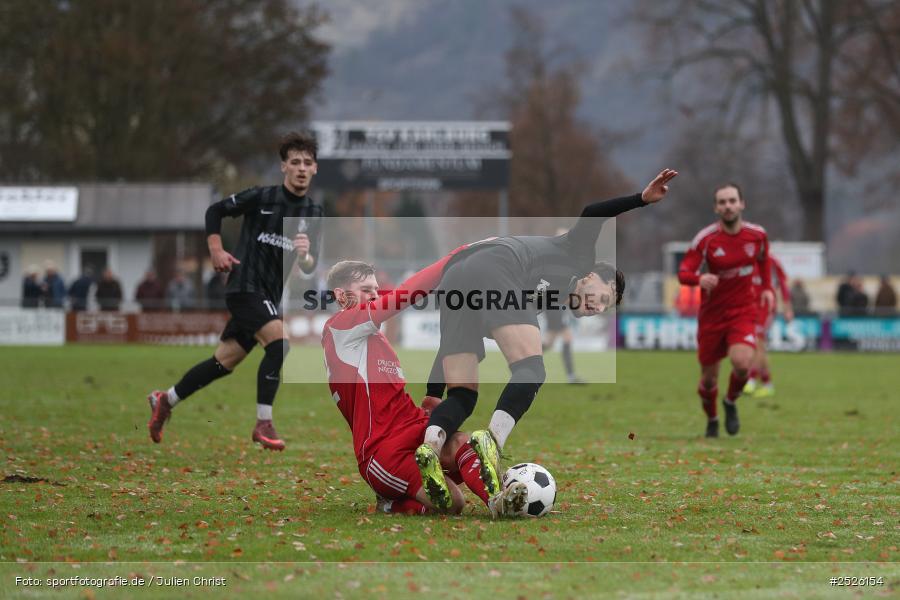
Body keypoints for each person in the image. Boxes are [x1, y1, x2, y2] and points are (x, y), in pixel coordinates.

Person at [416, 169, 678, 510]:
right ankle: (491, 442)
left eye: (606, 307)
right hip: (494, 266)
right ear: (589, 275)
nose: (598, 307)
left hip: (456, 279)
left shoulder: (546, 298)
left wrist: (433, 393)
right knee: (532, 370)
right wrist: (640, 200)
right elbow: (593, 213)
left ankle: (430, 448)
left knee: (463, 395)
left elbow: (449, 345)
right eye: (603, 295)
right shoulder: (578, 255)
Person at [146, 132, 323, 451]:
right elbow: (214, 211)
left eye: (307, 163)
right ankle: (263, 423)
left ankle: (166, 399)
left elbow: (311, 267)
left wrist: (305, 255)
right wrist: (216, 249)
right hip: (244, 287)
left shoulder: (314, 213)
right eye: (294, 162)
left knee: (223, 363)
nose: (300, 168)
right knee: (280, 346)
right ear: (283, 167)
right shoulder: (262, 197)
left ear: (315, 169)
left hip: (269, 295)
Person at [322, 258, 527, 518]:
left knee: (464, 443)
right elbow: (404, 295)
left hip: (413, 427)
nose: (375, 295)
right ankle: (391, 503)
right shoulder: (340, 327)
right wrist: (456, 258)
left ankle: (498, 501)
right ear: (341, 296)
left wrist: (432, 396)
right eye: (366, 290)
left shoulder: (374, 339)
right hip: (383, 451)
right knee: (454, 503)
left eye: (376, 289)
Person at [678, 183, 773, 438]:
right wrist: (699, 279)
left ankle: (730, 402)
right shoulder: (706, 239)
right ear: (715, 208)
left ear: (742, 204)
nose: (728, 206)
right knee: (709, 380)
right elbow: (684, 272)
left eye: (732, 201)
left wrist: (766, 288)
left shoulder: (757, 235)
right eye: (722, 202)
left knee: (742, 364)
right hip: (712, 316)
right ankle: (712, 418)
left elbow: (764, 261)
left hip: (743, 310)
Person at [744, 254, 792, 398]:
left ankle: (751, 380)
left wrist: (787, 308)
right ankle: (767, 384)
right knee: (759, 347)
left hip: (766, 307)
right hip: (749, 306)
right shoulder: (746, 261)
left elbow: (783, 284)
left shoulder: (772, 262)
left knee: (757, 343)